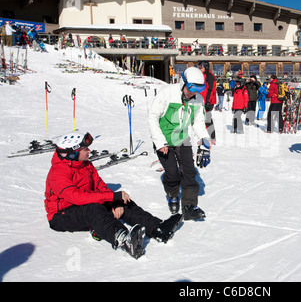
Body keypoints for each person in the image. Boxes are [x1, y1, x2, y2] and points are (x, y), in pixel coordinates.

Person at [44, 132, 183, 259]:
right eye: (85, 149)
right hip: (61, 215)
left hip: (84, 205)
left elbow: (100, 186)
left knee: (122, 200)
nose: (89, 151)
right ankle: (124, 239)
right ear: (73, 154)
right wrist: (110, 198)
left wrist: (115, 202)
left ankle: (157, 228)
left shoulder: (85, 164)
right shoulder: (58, 173)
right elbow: (77, 198)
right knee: (94, 209)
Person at [148, 67, 210, 220]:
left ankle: (189, 206)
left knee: (189, 172)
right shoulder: (167, 93)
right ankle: (172, 194)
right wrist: (159, 141)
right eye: (191, 88)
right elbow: (152, 118)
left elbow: (198, 121)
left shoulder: (198, 99)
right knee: (172, 173)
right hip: (164, 139)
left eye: (198, 89)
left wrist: (204, 143)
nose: (193, 92)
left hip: (182, 138)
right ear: (184, 82)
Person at [197, 61, 217, 144]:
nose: (199, 68)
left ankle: (212, 137)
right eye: (198, 67)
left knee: (207, 119)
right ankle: (203, 137)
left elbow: (210, 89)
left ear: (206, 67)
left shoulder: (209, 76)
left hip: (208, 101)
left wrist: (208, 101)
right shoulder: (201, 75)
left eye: (201, 67)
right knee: (200, 119)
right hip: (201, 99)